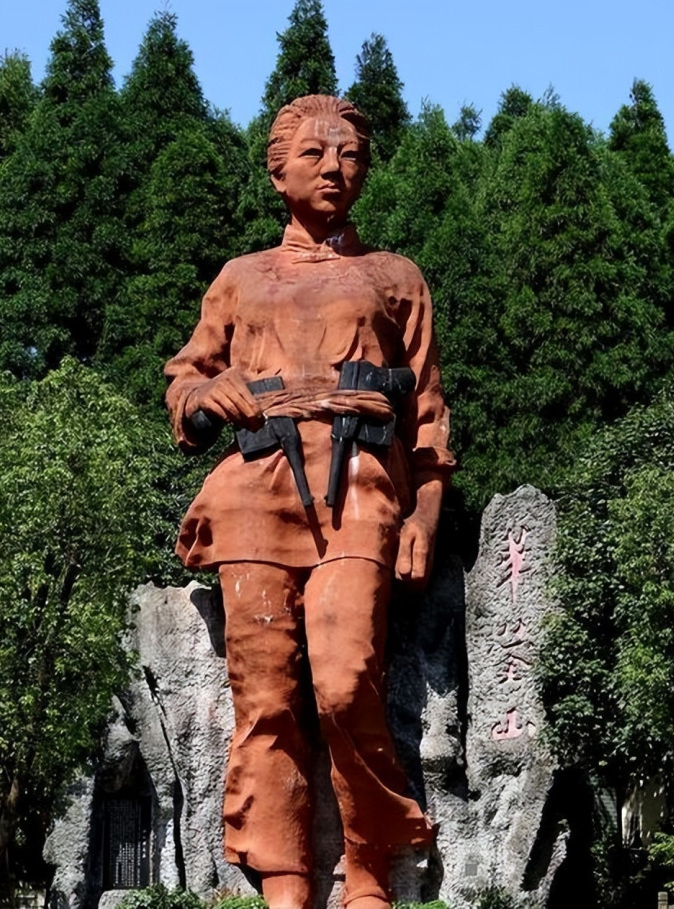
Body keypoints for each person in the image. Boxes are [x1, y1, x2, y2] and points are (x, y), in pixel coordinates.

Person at [164, 95, 455, 909]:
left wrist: (425, 512)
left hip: (361, 484)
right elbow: (185, 380)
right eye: (315, 154)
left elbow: (429, 417)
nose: (335, 167)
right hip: (253, 491)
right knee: (264, 696)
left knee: (346, 676)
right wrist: (205, 395)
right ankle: (284, 878)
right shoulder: (240, 277)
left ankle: (368, 867)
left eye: (350, 154)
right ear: (278, 172)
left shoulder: (396, 276)